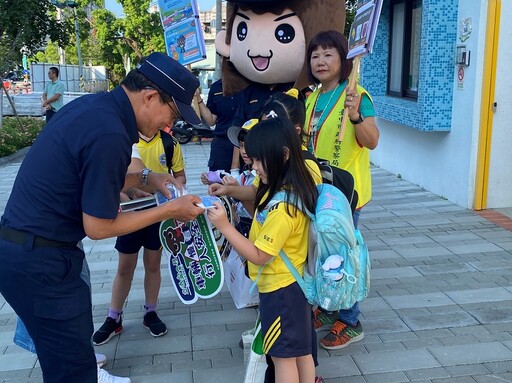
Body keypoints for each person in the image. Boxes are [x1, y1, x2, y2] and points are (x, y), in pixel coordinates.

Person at [0, 52, 205, 383]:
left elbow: (93, 175)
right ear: (151, 96)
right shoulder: (111, 134)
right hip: (42, 264)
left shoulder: (97, 109)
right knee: (74, 373)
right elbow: (97, 227)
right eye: (171, 113)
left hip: (27, 252)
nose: (168, 125)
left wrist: (148, 178)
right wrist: (168, 210)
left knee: (69, 357)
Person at [208, 117, 318, 383]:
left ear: (283, 155)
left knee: (282, 358)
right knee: (301, 352)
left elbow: (259, 255)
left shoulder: (282, 209)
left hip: (280, 292)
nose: (254, 168)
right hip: (295, 286)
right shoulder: (289, 190)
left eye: (258, 161)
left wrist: (224, 226)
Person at [304, 30, 380, 350]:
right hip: (319, 190)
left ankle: (350, 320)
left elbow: (372, 140)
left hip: (345, 194)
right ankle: (327, 307)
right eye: (315, 55)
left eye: (328, 54)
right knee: (322, 254)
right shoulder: (310, 97)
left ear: (343, 59)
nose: (320, 61)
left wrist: (356, 116)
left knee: (342, 256)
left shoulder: (357, 95)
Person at [93, 130, 187, 345]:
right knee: (125, 266)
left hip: (159, 212)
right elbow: (114, 178)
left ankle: (150, 312)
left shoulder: (169, 142)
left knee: (153, 264)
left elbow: (180, 175)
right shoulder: (124, 139)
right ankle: (113, 316)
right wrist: (129, 195)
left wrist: (171, 187)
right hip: (130, 213)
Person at [195, 78, 243, 174]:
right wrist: (198, 98)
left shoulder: (249, 85)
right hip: (222, 145)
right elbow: (211, 120)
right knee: (217, 182)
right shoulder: (216, 87)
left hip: (244, 143)